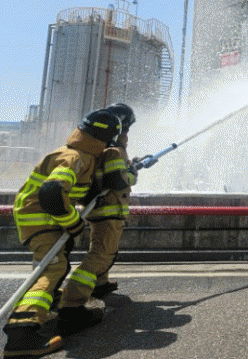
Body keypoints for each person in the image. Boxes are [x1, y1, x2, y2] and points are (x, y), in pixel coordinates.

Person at [3, 109, 121, 358]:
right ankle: (22, 334)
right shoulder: (75, 157)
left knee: (57, 265)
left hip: (41, 218)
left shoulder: (80, 154)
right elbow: (52, 192)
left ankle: (59, 307)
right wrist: (72, 222)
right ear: (106, 139)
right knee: (52, 268)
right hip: (41, 218)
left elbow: (68, 190)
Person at [56, 103, 138, 333]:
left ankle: (100, 283)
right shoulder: (114, 152)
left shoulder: (105, 151)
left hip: (103, 211)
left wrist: (131, 166)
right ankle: (72, 304)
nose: (127, 134)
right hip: (109, 211)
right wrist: (133, 174)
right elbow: (117, 181)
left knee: (103, 251)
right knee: (101, 255)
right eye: (126, 130)